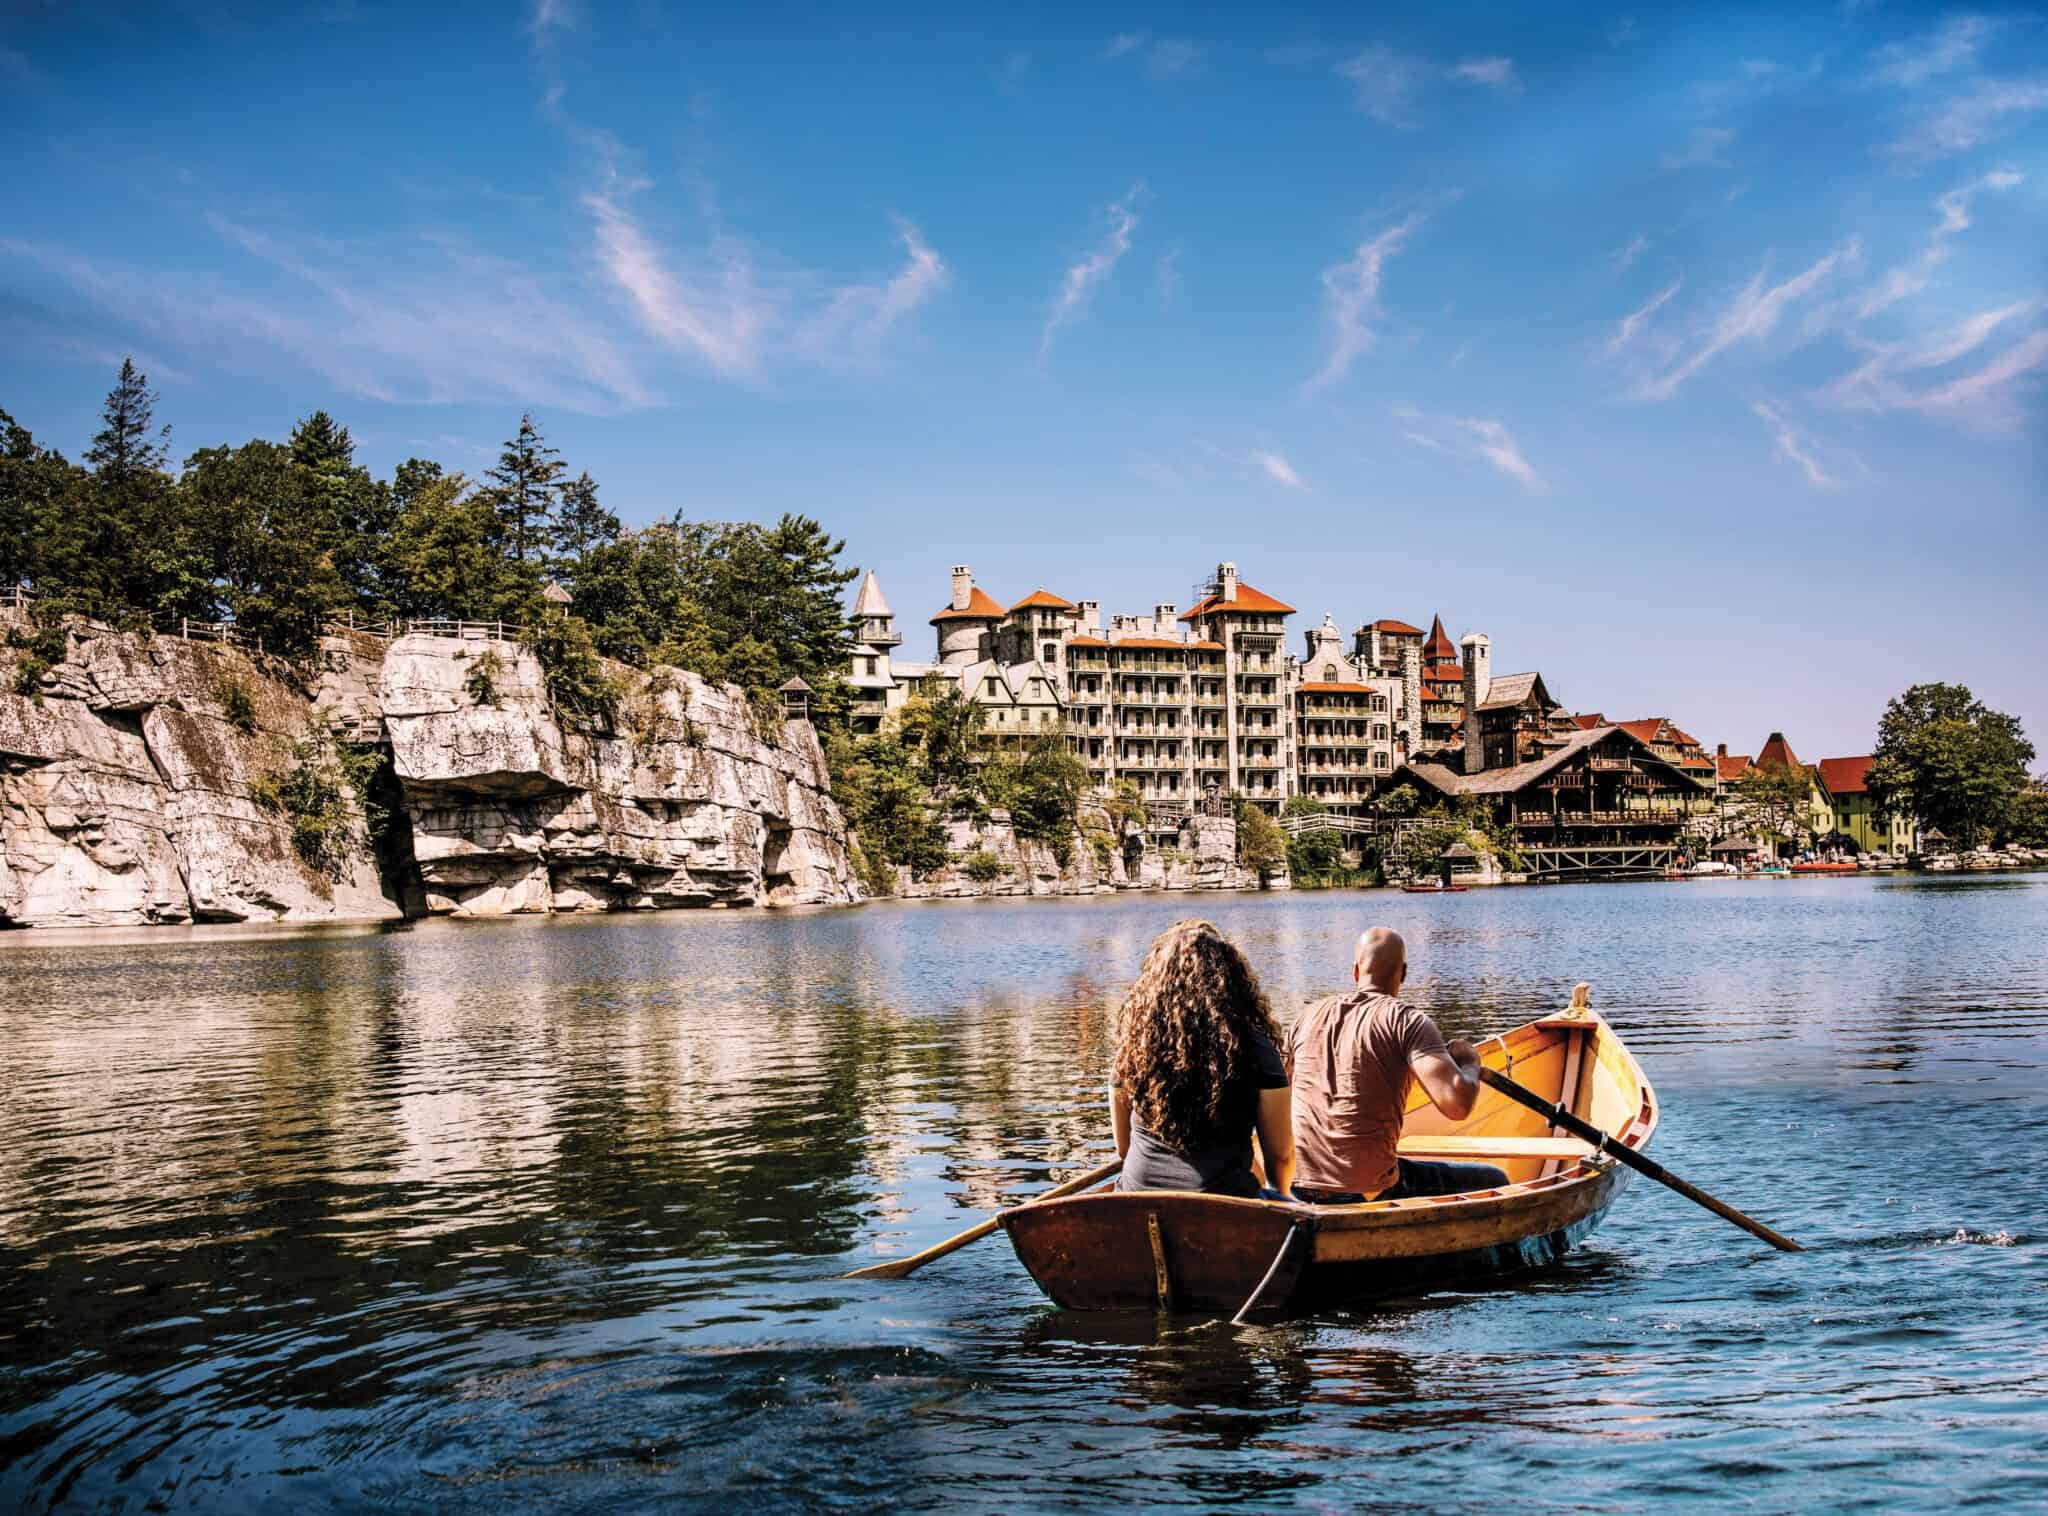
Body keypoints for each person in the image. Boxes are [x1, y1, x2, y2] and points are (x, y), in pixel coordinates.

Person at [1288, 927, 1507, 1205]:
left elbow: (1281, 1093)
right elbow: (1457, 1105)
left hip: (1301, 1188)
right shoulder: (1406, 1021)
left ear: (1355, 972)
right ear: (1403, 974)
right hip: (1369, 1192)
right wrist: (1468, 1062)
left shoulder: (1305, 1017)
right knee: (1495, 1180)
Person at [1110, 920, 1296, 1200]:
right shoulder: (1254, 1045)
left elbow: (1124, 1149)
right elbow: (1280, 1156)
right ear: (1231, 980)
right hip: (1224, 1207)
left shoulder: (1133, 1044)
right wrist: (1281, 1199)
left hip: (1136, 1202)